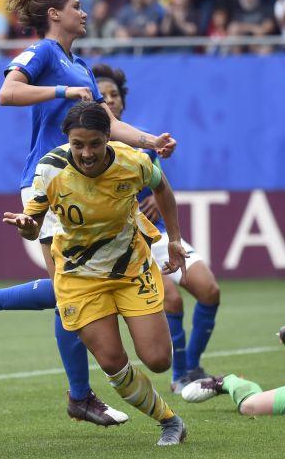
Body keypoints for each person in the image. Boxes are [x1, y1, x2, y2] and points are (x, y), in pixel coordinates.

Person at [0, 0, 176, 428]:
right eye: (76, 6)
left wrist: (150, 139)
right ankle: (78, 394)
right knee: (68, 289)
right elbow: (7, 93)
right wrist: (61, 93)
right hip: (50, 182)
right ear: (54, 14)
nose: (84, 11)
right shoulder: (43, 53)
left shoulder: (77, 65)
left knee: (69, 289)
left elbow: (109, 124)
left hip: (87, 184)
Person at [3, 101, 188, 445]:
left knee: (159, 360)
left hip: (131, 267)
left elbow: (162, 187)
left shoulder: (133, 162)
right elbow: (34, 226)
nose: (86, 153)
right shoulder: (50, 170)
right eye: (77, 144)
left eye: (94, 144)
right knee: (114, 364)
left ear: (108, 138)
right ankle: (170, 421)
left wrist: (174, 239)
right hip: (79, 277)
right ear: (67, 141)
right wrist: (27, 228)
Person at [91, 64, 220, 393]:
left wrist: (156, 201)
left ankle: (191, 363)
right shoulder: (88, 146)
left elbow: (159, 185)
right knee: (172, 300)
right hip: (126, 242)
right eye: (102, 96)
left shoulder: (141, 140)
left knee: (209, 290)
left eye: (114, 95)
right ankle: (180, 377)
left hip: (157, 233)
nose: (110, 101)